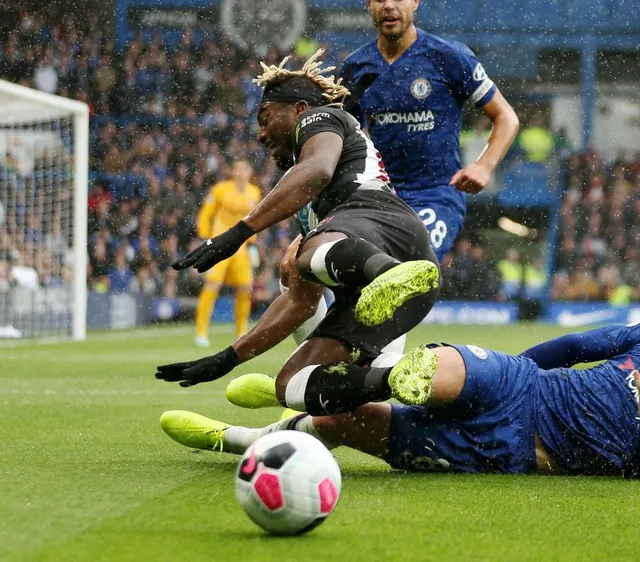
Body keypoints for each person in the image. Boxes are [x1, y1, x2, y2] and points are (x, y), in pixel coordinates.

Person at [156, 51, 440, 414]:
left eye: (265, 118)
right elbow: (300, 303)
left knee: (305, 254)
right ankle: (395, 378)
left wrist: (238, 233)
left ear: (298, 109)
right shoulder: (309, 206)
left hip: (385, 225)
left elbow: (318, 170)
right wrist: (228, 358)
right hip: (388, 299)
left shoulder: (322, 118)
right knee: (292, 383)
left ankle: (389, 274)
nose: (260, 135)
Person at [159, 319, 640, 479]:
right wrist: (518, 366)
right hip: (522, 385)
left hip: (513, 449)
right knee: (431, 369)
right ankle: (297, 383)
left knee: (344, 426)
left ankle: (242, 436)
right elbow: (577, 344)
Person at [340, 0, 520, 262]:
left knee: (408, 266)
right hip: (378, 196)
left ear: (415, 2)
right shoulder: (355, 67)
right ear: (368, 4)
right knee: (320, 267)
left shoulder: (449, 57)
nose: (388, 5)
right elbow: (343, 139)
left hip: (435, 195)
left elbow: (506, 117)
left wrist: (484, 166)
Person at [193, 161, 262, 346]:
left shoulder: (254, 192)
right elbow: (205, 214)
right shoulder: (220, 190)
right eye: (238, 168)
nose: (241, 172)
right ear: (233, 171)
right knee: (213, 285)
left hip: (240, 248)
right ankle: (201, 332)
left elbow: (254, 220)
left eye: (245, 168)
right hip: (218, 244)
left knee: (246, 287)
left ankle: (241, 332)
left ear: (250, 172)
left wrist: (253, 245)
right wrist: (204, 238)